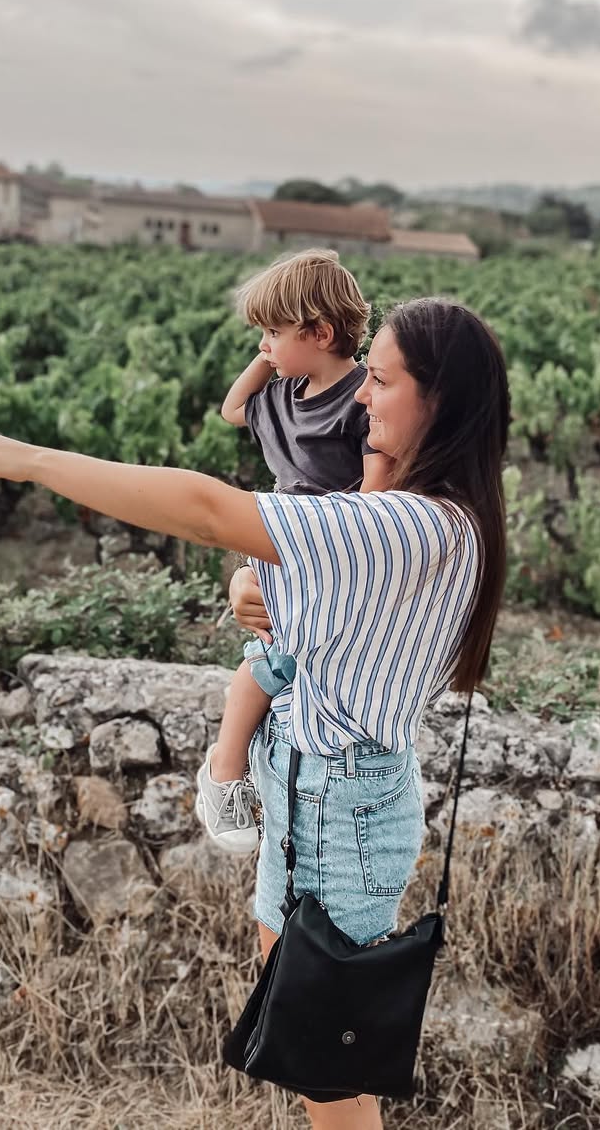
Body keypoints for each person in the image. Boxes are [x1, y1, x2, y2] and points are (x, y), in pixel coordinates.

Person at [0, 295, 509, 1130]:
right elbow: (295, 571)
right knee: (311, 1063)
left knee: (329, 1080)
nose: (361, 398)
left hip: (343, 816)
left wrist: (31, 459)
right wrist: (253, 579)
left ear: (442, 399)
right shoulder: (418, 512)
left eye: (378, 380)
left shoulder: (414, 526)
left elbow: (204, 508)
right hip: (309, 799)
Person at [196, 249, 393, 853]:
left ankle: (251, 769)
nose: (265, 347)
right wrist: (266, 360)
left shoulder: (362, 396)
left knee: (304, 660)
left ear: (322, 333)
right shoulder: (282, 394)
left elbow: (375, 491)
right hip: (289, 543)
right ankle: (223, 771)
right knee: (278, 658)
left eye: (274, 333)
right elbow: (232, 409)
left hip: (335, 543)